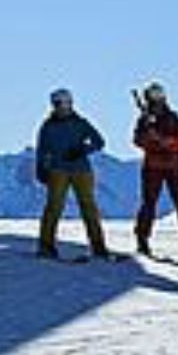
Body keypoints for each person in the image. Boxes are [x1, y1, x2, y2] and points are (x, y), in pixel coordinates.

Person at [34, 88, 110, 260]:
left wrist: (83, 150)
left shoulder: (80, 123)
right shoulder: (48, 126)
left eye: (63, 103)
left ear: (69, 103)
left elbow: (99, 141)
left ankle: (98, 247)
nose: (60, 107)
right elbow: (42, 150)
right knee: (53, 208)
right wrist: (41, 169)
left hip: (81, 170)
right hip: (57, 171)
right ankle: (46, 246)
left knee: (89, 208)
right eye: (57, 104)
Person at [132, 82, 178, 259]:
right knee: (149, 205)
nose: (158, 99)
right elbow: (137, 140)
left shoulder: (174, 117)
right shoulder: (144, 120)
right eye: (154, 95)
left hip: (174, 167)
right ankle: (142, 240)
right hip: (153, 168)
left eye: (159, 94)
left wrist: (168, 141)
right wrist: (150, 138)